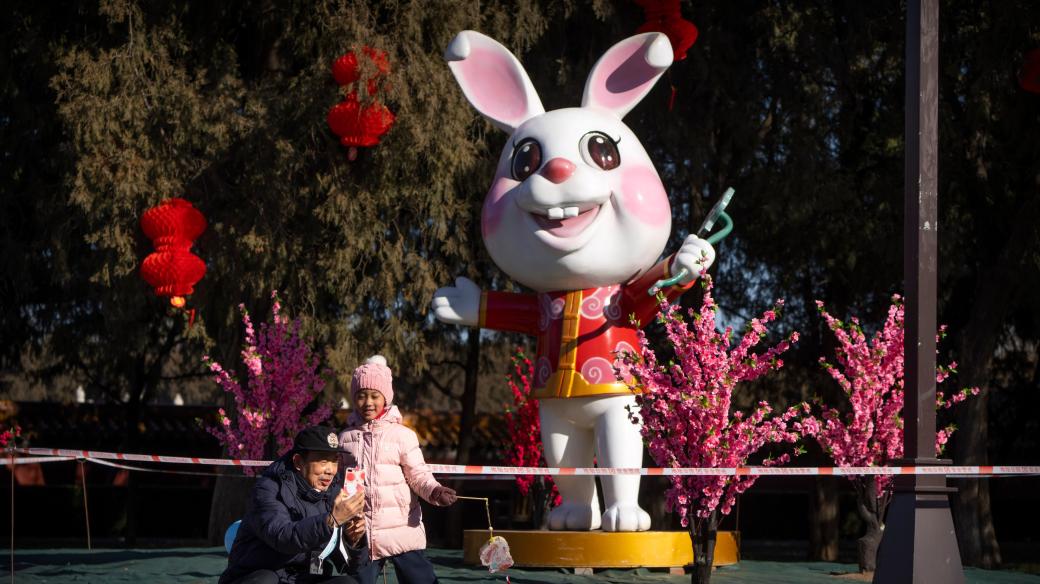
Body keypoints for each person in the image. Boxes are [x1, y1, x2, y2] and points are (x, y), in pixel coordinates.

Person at [339, 355, 458, 584]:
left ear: (386, 398)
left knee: (420, 580)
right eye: (361, 396)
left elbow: (418, 475)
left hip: (402, 526)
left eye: (375, 396)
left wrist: (434, 491)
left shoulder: (402, 436)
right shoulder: (345, 438)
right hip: (362, 530)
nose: (368, 402)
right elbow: (340, 482)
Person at [220, 425, 370, 584]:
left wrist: (354, 541)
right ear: (298, 462)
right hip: (258, 575)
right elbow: (283, 537)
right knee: (265, 580)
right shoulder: (268, 488)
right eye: (323, 460)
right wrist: (331, 521)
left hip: (305, 577)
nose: (330, 470)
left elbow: (350, 566)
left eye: (334, 461)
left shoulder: (335, 494)